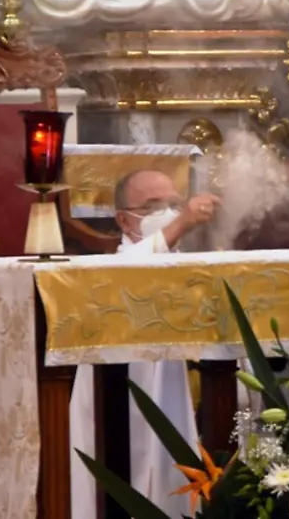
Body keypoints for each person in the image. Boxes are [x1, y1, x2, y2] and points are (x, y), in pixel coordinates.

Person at [70, 169, 220, 518]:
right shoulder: (116, 267)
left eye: (173, 204)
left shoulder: (187, 261)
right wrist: (182, 221)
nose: (168, 213)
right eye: (153, 207)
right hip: (123, 414)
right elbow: (133, 272)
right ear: (124, 219)